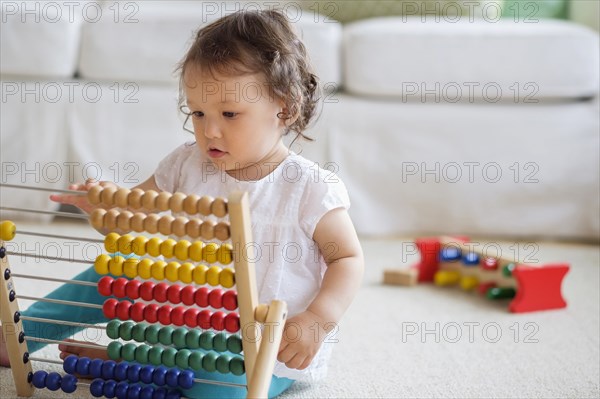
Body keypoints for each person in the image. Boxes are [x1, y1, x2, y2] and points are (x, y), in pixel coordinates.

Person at [0, 9, 364, 398]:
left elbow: (347, 258)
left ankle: (127, 364)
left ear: (285, 108)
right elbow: (130, 222)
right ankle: (21, 334)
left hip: (258, 354)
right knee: (110, 272)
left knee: (218, 389)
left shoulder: (309, 187)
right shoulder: (186, 163)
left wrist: (319, 319)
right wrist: (105, 210)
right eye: (198, 112)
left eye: (229, 113)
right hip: (180, 318)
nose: (209, 130)